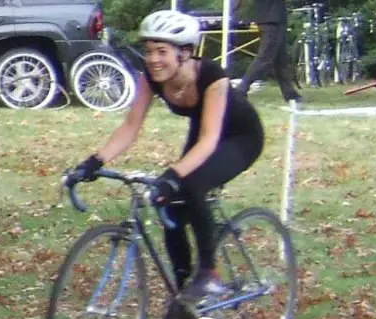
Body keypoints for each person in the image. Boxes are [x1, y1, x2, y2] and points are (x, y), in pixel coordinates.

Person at [70, 10, 265, 301]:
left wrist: (172, 176)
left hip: (239, 137)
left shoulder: (212, 78)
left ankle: (209, 275)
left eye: (162, 51)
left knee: (192, 184)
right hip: (204, 134)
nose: (153, 59)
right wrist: (94, 160)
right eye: (149, 51)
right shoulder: (151, 78)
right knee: (170, 205)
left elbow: (211, 139)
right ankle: (185, 294)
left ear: (185, 53)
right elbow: (130, 126)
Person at [236, 0, 301, 101]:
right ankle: (241, 88)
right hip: (271, 18)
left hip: (274, 18)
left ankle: (289, 93)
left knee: (280, 59)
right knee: (265, 58)